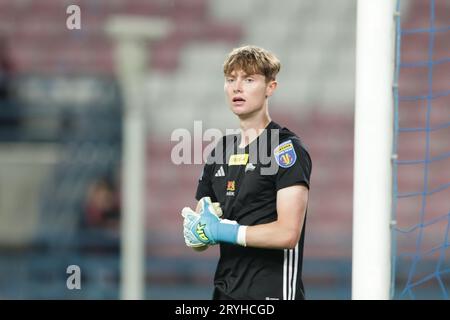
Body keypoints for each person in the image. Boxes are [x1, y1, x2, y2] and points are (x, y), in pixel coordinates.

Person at [181, 45, 312, 300]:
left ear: (270, 88)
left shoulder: (285, 148)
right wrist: (197, 233)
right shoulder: (221, 149)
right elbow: (204, 229)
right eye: (231, 79)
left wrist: (222, 231)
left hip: (271, 293)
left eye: (249, 79)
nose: (237, 87)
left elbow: (288, 233)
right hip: (224, 292)